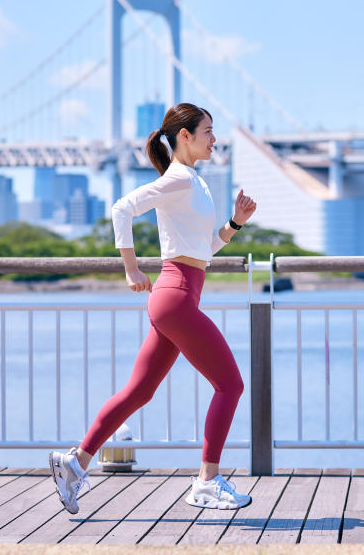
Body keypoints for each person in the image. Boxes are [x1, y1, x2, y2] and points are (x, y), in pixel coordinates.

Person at [48, 102, 257, 514]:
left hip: (176, 296)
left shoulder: (193, 181)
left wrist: (234, 224)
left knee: (139, 391)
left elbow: (201, 250)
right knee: (230, 385)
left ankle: (76, 462)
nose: (215, 139)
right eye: (208, 131)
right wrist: (130, 269)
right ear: (185, 136)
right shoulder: (178, 180)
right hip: (175, 297)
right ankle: (208, 482)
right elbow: (120, 208)